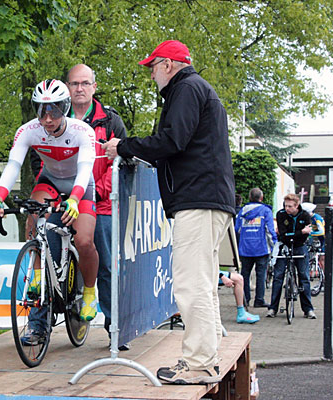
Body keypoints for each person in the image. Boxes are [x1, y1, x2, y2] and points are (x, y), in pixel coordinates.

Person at [102, 39, 235, 385]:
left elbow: (171, 140)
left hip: (198, 199)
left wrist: (124, 146)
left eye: (152, 67)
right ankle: (207, 356)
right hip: (207, 198)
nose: (150, 75)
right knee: (202, 283)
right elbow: (178, 143)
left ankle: (200, 364)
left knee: (191, 284)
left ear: (167, 65)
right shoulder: (196, 89)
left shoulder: (187, 89)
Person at [0, 79, 100, 337]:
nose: (48, 118)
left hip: (80, 185)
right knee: (32, 217)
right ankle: (37, 276)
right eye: (42, 110)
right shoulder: (28, 130)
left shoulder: (82, 131)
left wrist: (74, 199)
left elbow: (84, 170)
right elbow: (13, 165)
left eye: (56, 109)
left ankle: (90, 291)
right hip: (50, 180)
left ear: (66, 107)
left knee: (83, 241)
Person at [30, 64, 129, 349]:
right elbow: (40, 162)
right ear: (67, 87)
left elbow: (118, 164)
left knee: (106, 265)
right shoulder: (52, 117)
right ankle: (38, 326)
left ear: (94, 87)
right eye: (74, 84)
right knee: (44, 250)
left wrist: (98, 193)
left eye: (85, 83)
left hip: (101, 202)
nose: (80, 89)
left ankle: (115, 329)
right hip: (63, 199)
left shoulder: (110, 120)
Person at [266, 193, 316, 319]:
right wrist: (300, 232)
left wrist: (295, 234)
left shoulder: (304, 215)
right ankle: (273, 308)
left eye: (290, 206)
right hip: (285, 245)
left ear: (296, 205)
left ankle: (308, 309)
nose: (287, 208)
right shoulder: (281, 214)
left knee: (304, 276)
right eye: (285, 205)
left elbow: (305, 235)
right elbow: (283, 234)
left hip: (300, 246)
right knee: (278, 276)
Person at [235, 188, 277, 308]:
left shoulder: (242, 211)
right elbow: (269, 230)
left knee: (245, 275)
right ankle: (259, 300)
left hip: (245, 248)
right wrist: (274, 244)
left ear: (249, 198)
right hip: (261, 248)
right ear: (261, 198)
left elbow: (237, 229)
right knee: (261, 275)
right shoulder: (265, 211)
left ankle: (245, 299)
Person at [301, 202, 325, 270]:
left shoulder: (316, 218)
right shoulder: (311, 218)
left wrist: (310, 233)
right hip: (321, 239)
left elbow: (322, 231)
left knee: (322, 258)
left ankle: (325, 276)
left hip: (324, 239)